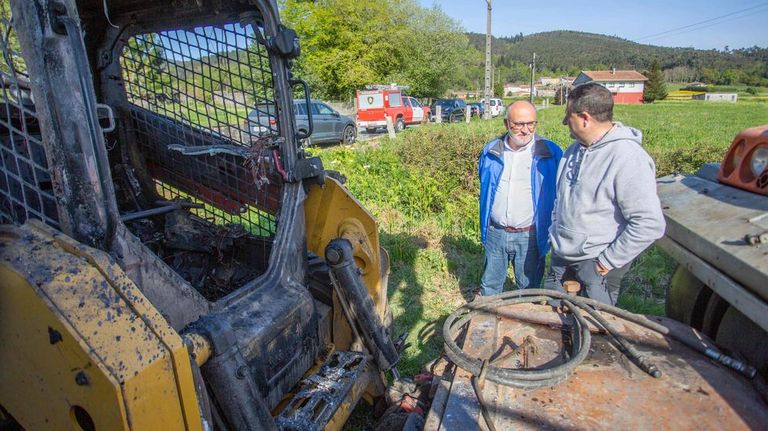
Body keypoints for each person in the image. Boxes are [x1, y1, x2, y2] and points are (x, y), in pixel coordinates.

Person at [547, 82, 666, 305]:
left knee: (592, 332)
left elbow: (650, 223)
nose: (565, 122)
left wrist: (605, 262)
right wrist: (554, 232)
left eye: (568, 115)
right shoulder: (572, 151)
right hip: (561, 257)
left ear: (584, 118)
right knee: (549, 323)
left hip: (596, 267)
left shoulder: (628, 157)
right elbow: (561, 200)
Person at [478, 101, 563, 296]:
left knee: (529, 289)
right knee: (489, 286)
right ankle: (487, 322)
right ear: (506, 123)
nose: (525, 130)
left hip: (530, 235)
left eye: (531, 124)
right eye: (519, 124)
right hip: (495, 233)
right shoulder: (491, 151)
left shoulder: (551, 153)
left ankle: (526, 323)